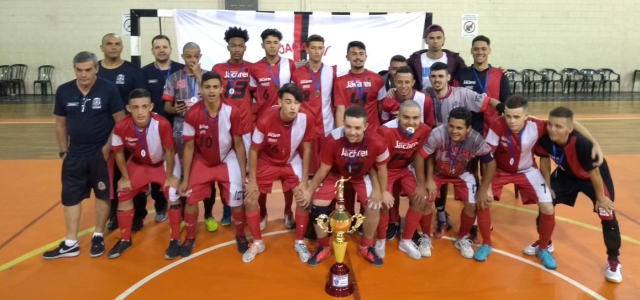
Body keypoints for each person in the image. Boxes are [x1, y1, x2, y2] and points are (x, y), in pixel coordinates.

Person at [43, 51, 125, 259]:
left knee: (102, 194)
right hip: (75, 154)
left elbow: (121, 121)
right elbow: (60, 124)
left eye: (88, 70)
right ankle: (71, 242)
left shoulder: (108, 89)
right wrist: (63, 151)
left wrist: (108, 147)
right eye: (79, 70)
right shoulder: (64, 91)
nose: (84, 74)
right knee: (70, 196)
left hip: (101, 154)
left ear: (96, 69)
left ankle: (98, 234)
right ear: (74, 70)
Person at [534, 106, 622, 283]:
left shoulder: (581, 143)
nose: (552, 129)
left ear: (569, 129)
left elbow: (594, 173)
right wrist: (547, 186)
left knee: (606, 213)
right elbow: (544, 162)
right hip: (566, 174)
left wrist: (601, 198)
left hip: (591, 177)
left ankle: (613, 260)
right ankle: (545, 242)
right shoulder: (544, 139)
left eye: (558, 127)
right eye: (550, 125)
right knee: (545, 202)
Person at [301, 106, 393, 267]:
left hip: (361, 176)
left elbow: (381, 169)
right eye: (348, 127)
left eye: (357, 128)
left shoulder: (377, 141)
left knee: (374, 205)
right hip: (336, 175)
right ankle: (323, 247)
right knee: (317, 205)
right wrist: (310, 190)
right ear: (343, 123)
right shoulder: (333, 139)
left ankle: (366, 246)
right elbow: (323, 169)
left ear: (365, 126)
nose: (352, 132)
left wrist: (382, 191)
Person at [424, 62, 506, 238]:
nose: (437, 80)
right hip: (437, 145)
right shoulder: (426, 94)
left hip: (462, 146)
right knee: (438, 183)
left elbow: (487, 100)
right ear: (430, 78)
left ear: (448, 78)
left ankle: (473, 225)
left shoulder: (462, 94)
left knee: (471, 180)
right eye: (433, 76)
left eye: (440, 76)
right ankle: (441, 216)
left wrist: (506, 110)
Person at [176, 71, 251, 258]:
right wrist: (185, 177)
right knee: (191, 199)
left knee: (237, 199)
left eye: (215, 87)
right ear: (201, 90)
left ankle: (240, 234)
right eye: (207, 87)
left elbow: (239, 144)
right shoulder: (192, 114)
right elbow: (189, 147)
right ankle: (191, 237)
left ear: (221, 89)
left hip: (227, 159)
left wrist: (244, 174)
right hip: (203, 161)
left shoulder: (232, 111)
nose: (211, 91)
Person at [243, 83, 315, 263]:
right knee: (251, 197)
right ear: (280, 101)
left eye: (297, 103)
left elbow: (307, 150)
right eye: (288, 102)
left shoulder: (307, 119)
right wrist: (252, 180)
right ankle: (258, 242)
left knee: (303, 198)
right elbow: (253, 151)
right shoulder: (265, 120)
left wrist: (305, 181)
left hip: (291, 161)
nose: (292, 107)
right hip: (267, 161)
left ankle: (299, 241)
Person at [107, 89, 181, 259]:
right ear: (128, 108)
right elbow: (118, 153)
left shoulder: (161, 124)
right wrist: (125, 178)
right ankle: (125, 239)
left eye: (144, 106)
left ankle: (175, 238)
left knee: (172, 192)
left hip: (163, 162)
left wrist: (170, 176)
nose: (140, 112)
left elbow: (170, 151)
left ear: (151, 107)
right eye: (135, 107)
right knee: (124, 193)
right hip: (140, 164)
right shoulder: (120, 127)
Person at [423, 107, 496, 262]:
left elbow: (490, 163)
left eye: (459, 128)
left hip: (462, 172)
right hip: (439, 170)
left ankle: (462, 237)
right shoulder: (437, 133)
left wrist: (484, 188)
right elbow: (427, 155)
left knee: (471, 205)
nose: (454, 131)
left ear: (468, 129)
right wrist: (428, 179)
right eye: (451, 126)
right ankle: (425, 236)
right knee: (425, 200)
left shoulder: (476, 140)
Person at [163, 42, 218, 232]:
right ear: (183, 56)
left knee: (208, 174)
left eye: (195, 56)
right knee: (186, 174)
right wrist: (174, 109)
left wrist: (200, 75)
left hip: (206, 130)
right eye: (188, 56)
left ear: (200, 56)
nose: (192, 59)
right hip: (181, 130)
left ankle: (209, 214)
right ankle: (187, 214)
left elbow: (218, 99)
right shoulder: (174, 78)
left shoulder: (209, 77)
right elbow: (166, 107)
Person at [97, 33, 149, 232]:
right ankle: (114, 215)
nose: (113, 47)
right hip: (102, 132)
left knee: (133, 173)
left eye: (117, 44)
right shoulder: (95, 70)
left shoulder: (132, 71)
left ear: (122, 47)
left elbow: (142, 100)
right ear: (101, 47)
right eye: (109, 44)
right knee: (108, 177)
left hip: (130, 132)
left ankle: (138, 215)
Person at [379, 65, 436, 240]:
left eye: (407, 82)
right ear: (394, 82)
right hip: (391, 157)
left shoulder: (424, 100)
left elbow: (429, 130)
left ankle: (418, 233)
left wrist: (427, 178)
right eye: (399, 82)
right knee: (389, 195)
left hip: (413, 155)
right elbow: (386, 126)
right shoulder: (387, 102)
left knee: (422, 197)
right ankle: (392, 223)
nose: (403, 86)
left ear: (413, 82)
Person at [249, 28, 296, 229]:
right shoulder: (255, 68)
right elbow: (252, 94)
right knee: (262, 172)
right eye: (268, 42)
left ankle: (288, 211)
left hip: (287, 124)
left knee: (286, 171)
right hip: (263, 125)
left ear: (280, 44)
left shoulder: (290, 65)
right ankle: (263, 211)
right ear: (262, 45)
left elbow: (294, 93)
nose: (272, 46)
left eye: (275, 42)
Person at [376, 100, 432, 259]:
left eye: (416, 118)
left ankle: (406, 240)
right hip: (385, 169)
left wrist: (422, 184)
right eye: (406, 117)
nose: (411, 122)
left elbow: (423, 157)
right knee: (384, 203)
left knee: (421, 199)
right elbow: (377, 163)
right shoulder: (385, 131)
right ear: (398, 116)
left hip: (406, 169)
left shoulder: (425, 130)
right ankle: (380, 240)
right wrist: (381, 189)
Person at [212, 26, 254, 226]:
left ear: (245, 48)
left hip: (245, 129)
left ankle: (243, 206)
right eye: (233, 46)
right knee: (224, 172)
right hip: (222, 127)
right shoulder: (218, 69)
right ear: (228, 47)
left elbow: (256, 96)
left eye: (240, 46)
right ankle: (227, 208)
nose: (237, 49)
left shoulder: (251, 69)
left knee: (242, 171)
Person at [140, 34, 185, 223]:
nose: (161, 50)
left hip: (179, 126)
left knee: (180, 166)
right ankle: (160, 205)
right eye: (157, 47)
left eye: (164, 46)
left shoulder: (181, 70)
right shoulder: (144, 72)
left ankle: (181, 202)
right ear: (152, 51)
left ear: (170, 49)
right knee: (156, 165)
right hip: (154, 127)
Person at [291, 34, 337, 174]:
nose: (317, 51)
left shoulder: (332, 71)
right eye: (313, 48)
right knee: (307, 171)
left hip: (327, 127)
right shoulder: (297, 73)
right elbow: (294, 100)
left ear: (324, 49)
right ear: (307, 49)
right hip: (305, 127)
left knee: (326, 170)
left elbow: (336, 100)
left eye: (320, 48)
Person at [454, 35, 511, 136]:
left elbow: (507, 101)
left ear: (489, 50)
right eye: (476, 49)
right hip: (468, 128)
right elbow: (455, 101)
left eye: (483, 49)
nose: (480, 52)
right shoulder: (461, 74)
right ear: (471, 51)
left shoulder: (500, 75)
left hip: (493, 128)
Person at [407, 24, 466, 92]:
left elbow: (465, 79)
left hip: (447, 100)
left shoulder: (455, 60)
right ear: (426, 40)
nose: (435, 41)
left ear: (443, 40)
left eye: (439, 38)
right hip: (422, 99)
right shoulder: (414, 60)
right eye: (431, 38)